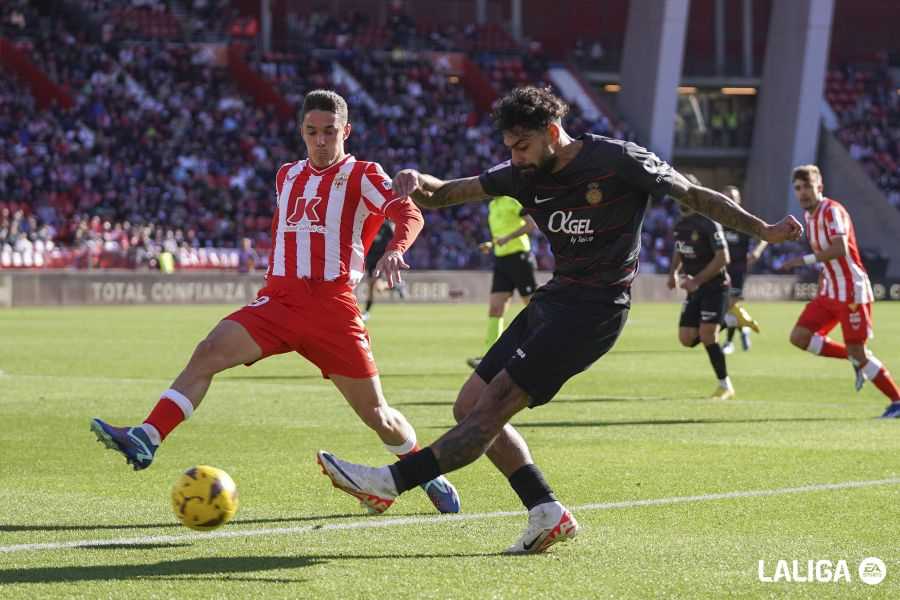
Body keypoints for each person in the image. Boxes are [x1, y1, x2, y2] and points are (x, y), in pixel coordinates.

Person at [315, 86, 802, 553]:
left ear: (553, 131)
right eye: (509, 148)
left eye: (522, 146)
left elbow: (695, 196)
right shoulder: (523, 173)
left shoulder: (618, 160)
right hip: (553, 301)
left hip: (595, 312)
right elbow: (447, 194)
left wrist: (763, 229)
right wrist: (415, 180)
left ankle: (389, 483)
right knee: (469, 406)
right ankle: (546, 510)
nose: (516, 157)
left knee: (490, 411)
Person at [90, 89, 460, 515]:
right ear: (301, 131)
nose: (321, 141)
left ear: (347, 131)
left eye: (330, 132)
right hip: (279, 301)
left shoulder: (364, 174)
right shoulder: (287, 174)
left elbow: (410, 213)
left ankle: (425, 470)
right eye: (312, 131)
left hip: (332, 309)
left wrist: (396, 248)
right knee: (208, 352)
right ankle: (147, 437)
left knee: (377, 413)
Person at [781, 164, 900, 417]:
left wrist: (803, 260)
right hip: (830, 292)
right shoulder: (809, 217)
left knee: (859, 351)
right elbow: (829, 259)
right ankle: (855, 358)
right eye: (798, 188)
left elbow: (840, 249)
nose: (803, 193)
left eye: (808, 187)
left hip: (851, 293)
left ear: (820, 187)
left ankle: (897, 400)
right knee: (799, 337)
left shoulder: (832, 211)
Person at [667, 181, 735, 399]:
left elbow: (723, 258)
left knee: (708, 335)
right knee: (686, 338)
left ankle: (725, 385)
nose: (680, 200)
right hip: (695, 289)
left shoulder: (708, 222)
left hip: (715, 286)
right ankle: (731, 321)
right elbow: (679, 249)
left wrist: (696, 280)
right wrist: (673, 273)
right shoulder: (680, 224)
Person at [467, 195, 538, 369]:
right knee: (495, 307)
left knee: (533, 307)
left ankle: (540, 348)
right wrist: (492, 244)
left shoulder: (512, 200)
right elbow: (502, 233)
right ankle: (491, 357)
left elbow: (531, 224)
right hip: (502, 260)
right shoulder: (492, 205)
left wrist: (508, 238)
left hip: (520, 257)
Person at [719, 185, 765, 354]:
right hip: (718, 268)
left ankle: (729, 342)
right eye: (726, 196)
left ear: (739, 200)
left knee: (730, 304)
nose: (730, 199)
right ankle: (744, 326)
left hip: (737, 269)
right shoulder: (717, 219)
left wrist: (756, 251)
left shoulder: (745, 220)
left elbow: (764, 236)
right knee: (726, 306)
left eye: (733, 196)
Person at [361, 221, 406, 321]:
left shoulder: (386, 226)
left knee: (373, 285)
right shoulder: (369, 223)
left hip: (380, 260)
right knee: (375, 288)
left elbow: (395, 238)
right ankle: (397, 286)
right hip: (370, 259)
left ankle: (367, 312)